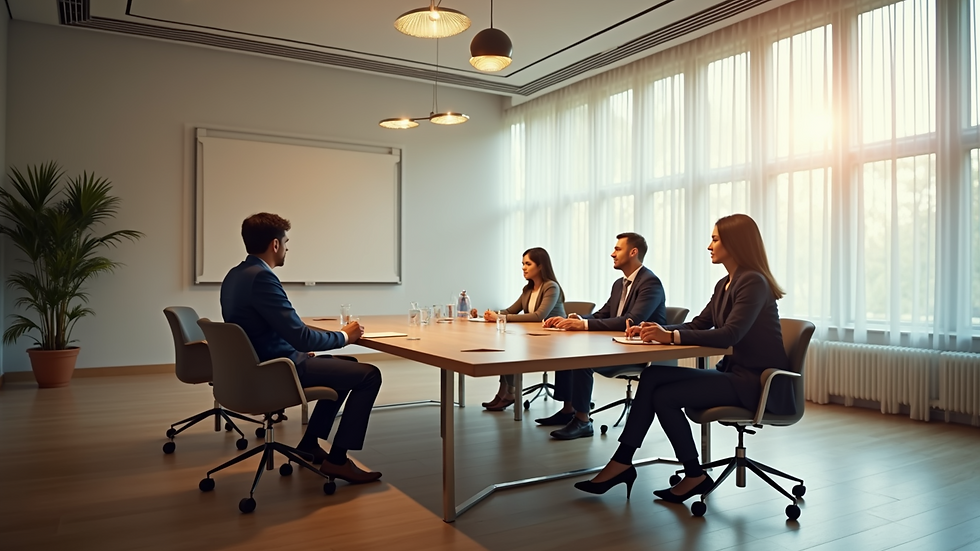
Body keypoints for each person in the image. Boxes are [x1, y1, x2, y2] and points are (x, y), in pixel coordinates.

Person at [574, 214, 792, 502]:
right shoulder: (725, 283)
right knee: (653, 376)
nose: (708, 246)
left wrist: (671, 337)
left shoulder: (753, 282)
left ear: (735, 243)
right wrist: (656, 330)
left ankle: (679, 471)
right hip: (734, 374)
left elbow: (730, 335)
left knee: (665, 396)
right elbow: (699, 325)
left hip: (757, 382)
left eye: (715, 239)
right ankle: (629, 462)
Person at [220, 212, 382, 485]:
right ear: (275, 244)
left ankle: (310, 443)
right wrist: (345, 336)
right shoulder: (262, 277)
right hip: (275, 371)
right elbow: (301, 337)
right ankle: (338, 460)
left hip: (259, 364)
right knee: (369, 375)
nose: (287, 248)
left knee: (349, 366)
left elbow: (263, 331)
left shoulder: (236, 275)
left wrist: (303, 345)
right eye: (286, 242)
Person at [538, 232, 666, 440]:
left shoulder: (650, 283)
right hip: (617, 344)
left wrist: (583, 324)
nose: (612, 254)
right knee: (566, 348)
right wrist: (575, 318)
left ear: (633, 252)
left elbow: (630, 320)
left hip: (640, 350)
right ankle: (568, 410)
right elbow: (603, 315)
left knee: (583, 358)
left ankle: (583, 421)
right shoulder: (619, 284)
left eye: (617, 249)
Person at [480, 247, 567, 411]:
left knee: (510, 349)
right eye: (522, 264)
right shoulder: (528, 290)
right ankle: (503, 392)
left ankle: (510, 393)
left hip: (554, 342)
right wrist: (492, 314)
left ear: (540, 266)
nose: (523, 267)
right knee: (504, 347)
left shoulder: (551, 287)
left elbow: (538, 316)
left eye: (528, 264)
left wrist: (500, 318)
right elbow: (510, 311)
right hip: (535, 337)